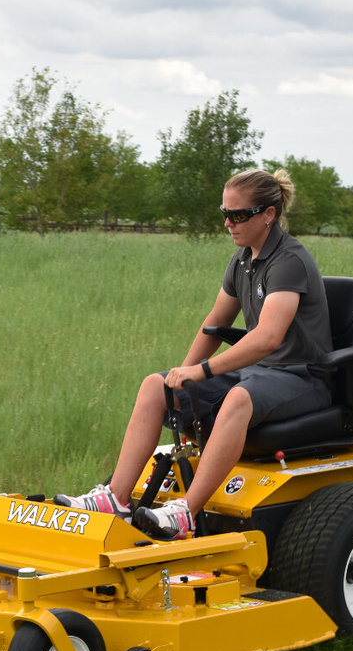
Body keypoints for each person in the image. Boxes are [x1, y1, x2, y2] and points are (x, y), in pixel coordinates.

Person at [57, 168, 333, 539]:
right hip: (260, 372)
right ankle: (116, 499)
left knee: (238, 398)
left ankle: (186, 511)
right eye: (225, 213)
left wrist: (200, 372)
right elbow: (215, 322)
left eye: (238, 215)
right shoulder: (242, 260)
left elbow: (267, 338)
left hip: (302, 377)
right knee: (154, 386)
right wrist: (178, 379)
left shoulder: (289, 261)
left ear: (268, 214)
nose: (227, 223)